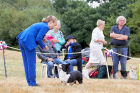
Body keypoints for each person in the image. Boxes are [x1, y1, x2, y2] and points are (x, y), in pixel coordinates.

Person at [17, 16, 57, 86]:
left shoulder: (42, 24)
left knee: (27, 63)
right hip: (28, 41)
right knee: (31, 63)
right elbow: (38, 39)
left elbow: (37, 36)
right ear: (51, 22)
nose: (53, 27)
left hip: (22, 39)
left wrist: (42, 40)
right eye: (54, 25)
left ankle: (30, 82)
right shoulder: (46, 27)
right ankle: (32, 83)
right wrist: (44, 46)